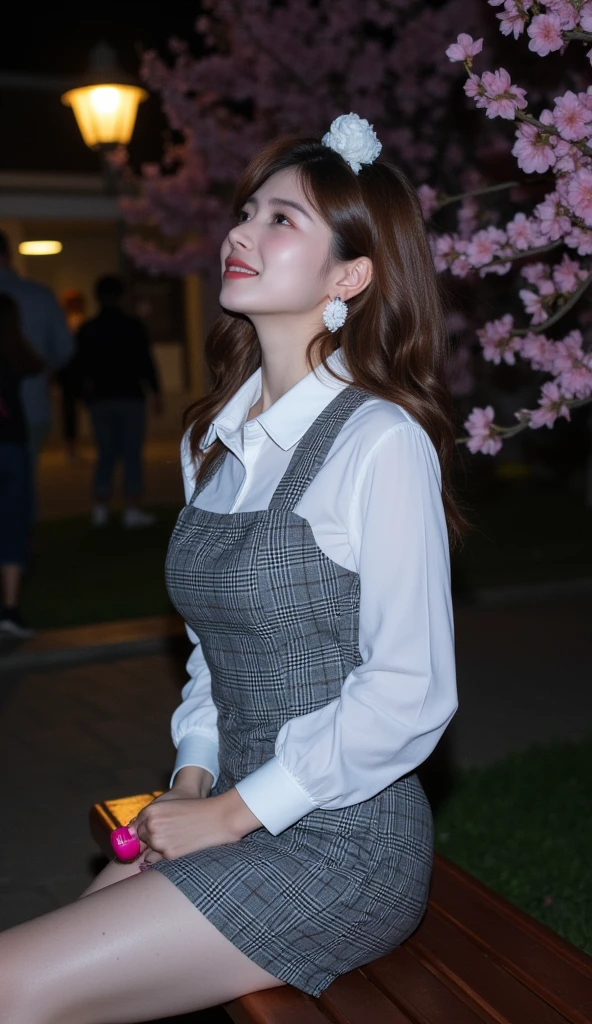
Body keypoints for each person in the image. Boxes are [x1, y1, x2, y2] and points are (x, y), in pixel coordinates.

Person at [0, 113, 461, 1022]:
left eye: (281, 220)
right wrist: (193, 775)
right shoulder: (213, 438)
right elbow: (212, 652)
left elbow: (413, 690)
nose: (240, 233)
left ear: (351, 275)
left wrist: (236, 813)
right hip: (225, 807)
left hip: (342, 845)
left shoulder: (380, 442)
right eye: (245, 211)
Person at [77, 274, 163, 528]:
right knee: (131, 453)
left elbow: (80, 367)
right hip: (130, 397)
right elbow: (146, 362)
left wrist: (85, 396)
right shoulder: (132, 326)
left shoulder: (89, 329)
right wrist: (155, 393)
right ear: (121, 296)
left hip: (101, 398)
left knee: (105, 453)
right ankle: (132, 509)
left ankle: (101, 507)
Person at [0, 231, 73, 508]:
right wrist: (44, 371)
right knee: (21, 482)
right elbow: (65, 349)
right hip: (31, 404)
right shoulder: (39, 295)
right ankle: (19, 545)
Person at [0, 294, 45, 638]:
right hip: (11, 445)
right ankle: (10, 608)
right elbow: (37, 364)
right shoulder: (14, 351)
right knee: (13, 524)